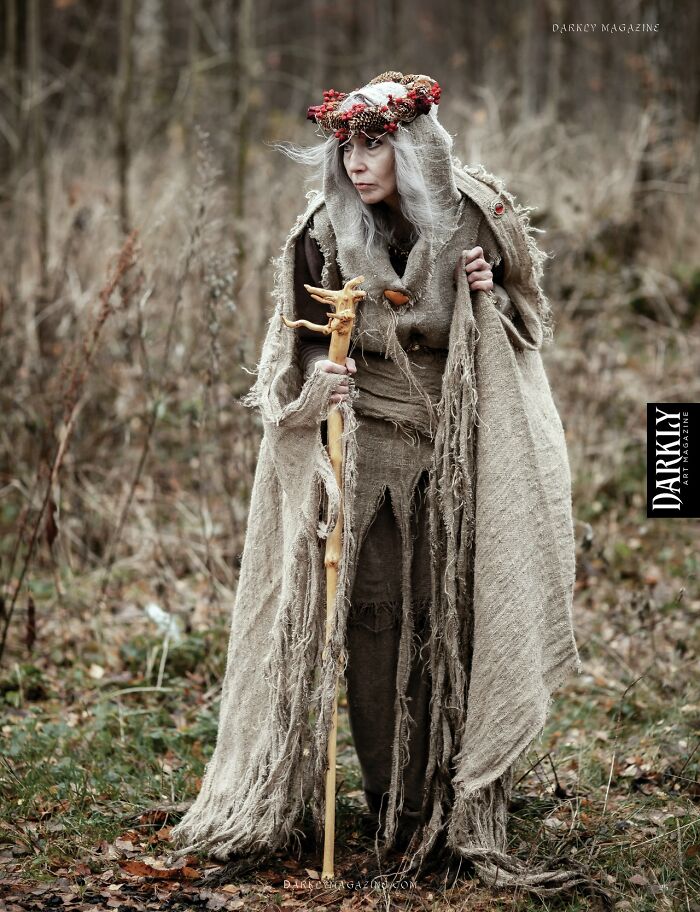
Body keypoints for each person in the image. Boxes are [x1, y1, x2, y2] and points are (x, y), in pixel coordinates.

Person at [170, 71, 597, 897]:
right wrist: (314, 388)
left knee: (455, 615)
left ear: (411, 145)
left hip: (462, 449)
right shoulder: (319, 232)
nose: (357, 163)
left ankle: (458, 797)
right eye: (347, 146)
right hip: (362, 449)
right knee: (372, 619)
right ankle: (389, 804)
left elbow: (527, 318)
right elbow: (285, 350)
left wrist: (488, 295)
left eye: (375, 144)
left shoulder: (479, 213)